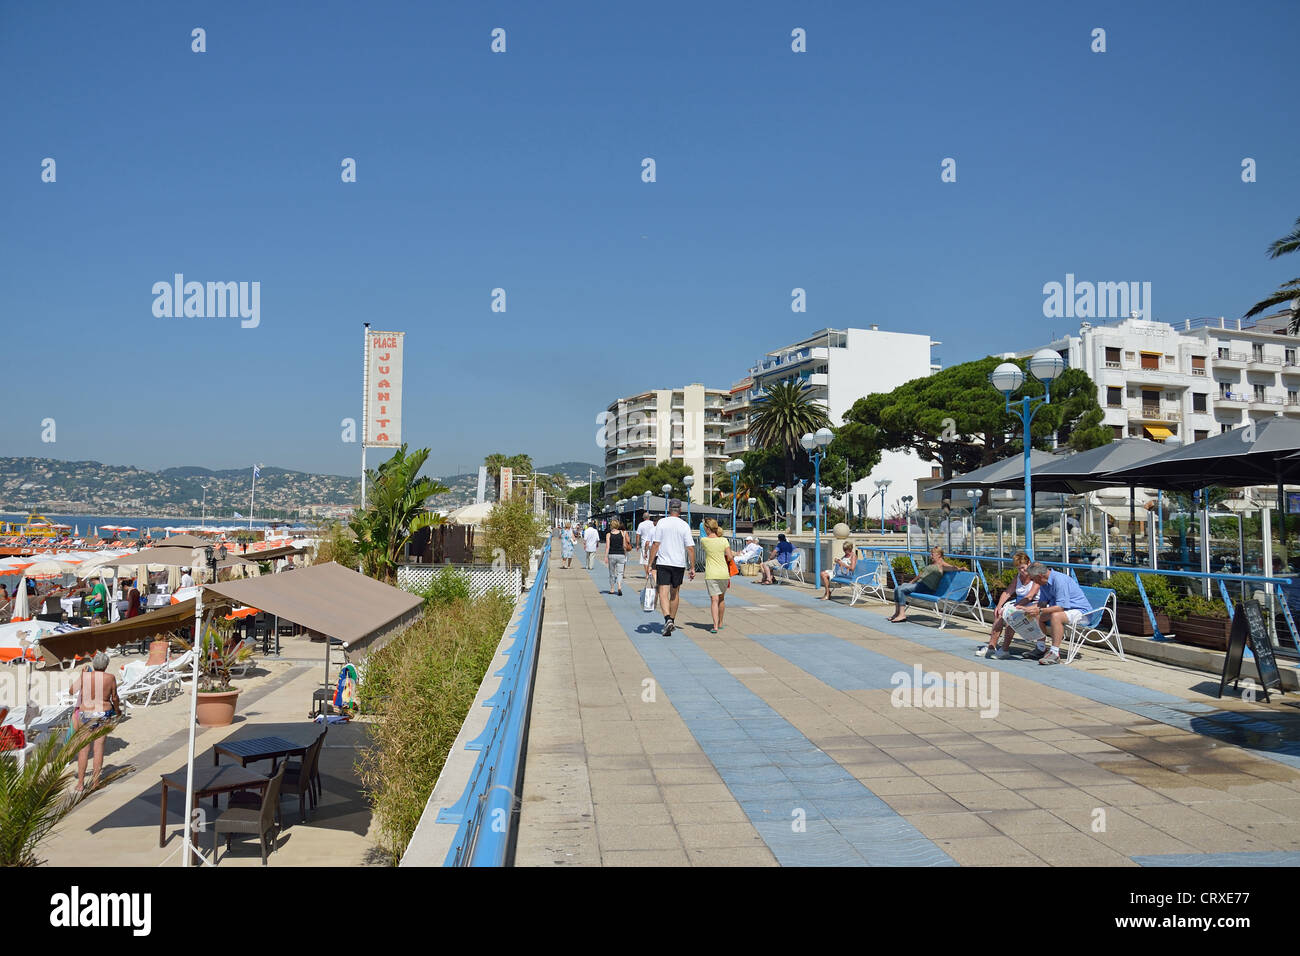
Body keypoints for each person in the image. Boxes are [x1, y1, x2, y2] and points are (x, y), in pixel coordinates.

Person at [1018, 562, 1094, 665]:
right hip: (1066, 611)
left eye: (1032, 579)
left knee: (1056, 616)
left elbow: (1060, 607)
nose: (1032, 581)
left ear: (1039, 576)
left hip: (1082, 612)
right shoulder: (1043, 583)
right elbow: (1042, 604)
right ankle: (1041, 648)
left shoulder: (1059, 580)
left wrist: (1039, 610)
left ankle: (1054, 653)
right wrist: (1024, 609)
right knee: (1035, 615)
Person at [72, 652, 122, 794]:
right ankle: (95, 782)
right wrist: (117, 710)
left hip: (85, 713)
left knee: (84, 749)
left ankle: (80, 784)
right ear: (106, 665)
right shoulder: (110, 678)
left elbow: (71, 690)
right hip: (103, 713)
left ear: (94, 664)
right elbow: (115, 697)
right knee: (98, 748)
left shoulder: (85, 676)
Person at [975, 552, 1038, 658]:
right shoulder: (1018, 577)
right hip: (1019, 603)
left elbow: (1030, 597)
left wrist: (1014, 608)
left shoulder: (1036, 577)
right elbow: (1007, 592)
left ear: (1029, 564)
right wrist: (999, 605)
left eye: (1023, 567)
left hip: (1032, 605)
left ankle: (1005, 649)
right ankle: (991, 647)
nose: (1022, 571)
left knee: (1011, 616)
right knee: (999, 614)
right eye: (1019, 569)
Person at [648, 500, 695, 636]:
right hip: (679, 564)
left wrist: (651, 563)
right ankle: (672, 621)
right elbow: (690, 548)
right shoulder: (684, 525)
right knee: (675, 593)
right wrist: (692, 567)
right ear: (680, 510)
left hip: (663, 563)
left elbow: (656, 544)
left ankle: (667, 619)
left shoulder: (662, 523)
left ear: (669, 509)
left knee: (663, 592)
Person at [888, 547, 960, 623]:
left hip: (927, 588)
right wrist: (912, 581)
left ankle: (902, 615)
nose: (930, 556)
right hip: (920, 585)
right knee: (897, 588)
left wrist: (960, 569)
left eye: (932, 554)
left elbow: (952, 568)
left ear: (939, 555)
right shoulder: (932, 564)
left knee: (900, 589)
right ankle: (897, 613)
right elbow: (921, 574)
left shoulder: (942, 565)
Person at [700, 518, 734, 633]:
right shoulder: (724, 540)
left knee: (714, 600)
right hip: (724, 573)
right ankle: (720, 623)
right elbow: (730, 557)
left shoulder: (704, 540)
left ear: (707, 528)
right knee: (721, 599)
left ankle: (714, 626)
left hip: (711, 574)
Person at [605, 518, 631, 596]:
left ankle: (612, 589)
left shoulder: (608, 534)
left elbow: (607, 547)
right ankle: (619, 586)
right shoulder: (622, 533)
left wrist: (605, 557)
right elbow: (624, 545)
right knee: (620, 572)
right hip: (621, 554)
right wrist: (625, 553)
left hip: (612, 554)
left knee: (612, 573)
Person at [636, 513, 658, 580]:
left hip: (644, 543)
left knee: (645, 560)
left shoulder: (641, 524)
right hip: (653, 544)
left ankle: (647, 574)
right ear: (649, 517)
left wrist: (637, 544)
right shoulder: (653, 524)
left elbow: (638, 535)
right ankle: (653, 572)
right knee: (652, 559)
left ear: (643, 517)